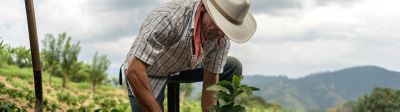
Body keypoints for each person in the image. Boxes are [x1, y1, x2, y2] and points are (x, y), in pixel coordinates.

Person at [121, 0, 256, 111]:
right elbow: (134, 70)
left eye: (226, 29)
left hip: (182, 67)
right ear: (204, 9)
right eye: (220, 25)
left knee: (232, 66)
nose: (221, 34)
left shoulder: (221, 38)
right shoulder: (169, 18)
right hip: (148, 71)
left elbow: (211, 81)